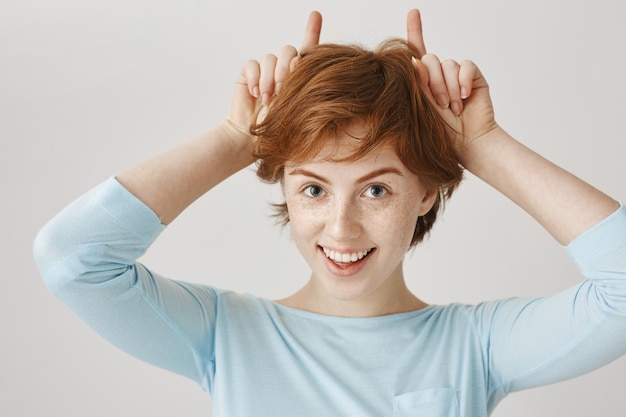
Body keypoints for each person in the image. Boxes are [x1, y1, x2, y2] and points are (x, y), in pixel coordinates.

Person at [33, 9, 626, 417]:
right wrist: (241, 136)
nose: (340, 227)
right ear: (286, 191)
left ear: (425, 194)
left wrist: (481, 143)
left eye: (376, 191)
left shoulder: (476, 345)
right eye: (314, 188)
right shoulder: (225, 335)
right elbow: (72, 259)